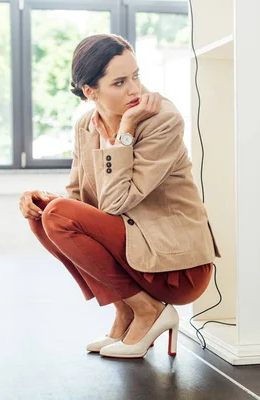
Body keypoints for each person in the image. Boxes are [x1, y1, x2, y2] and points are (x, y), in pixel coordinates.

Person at [19, 33, 220, 359]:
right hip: (135, 251)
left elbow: (115, 204)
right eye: (120, 82)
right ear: (90, 91)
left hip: (176, 265)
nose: (135, 89)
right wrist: (37, 198)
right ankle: (126, 311)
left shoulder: (162, 120)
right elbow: (79, 198)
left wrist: (124, 131)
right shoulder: (86, 126)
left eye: (136, 76)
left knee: (57, 215)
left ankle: (148, 311)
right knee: (43, 216)